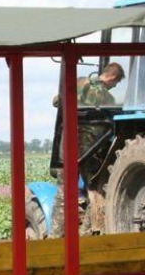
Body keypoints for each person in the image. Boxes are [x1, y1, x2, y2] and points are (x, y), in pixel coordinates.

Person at [50, 62, 125, 237]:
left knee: (63, 192)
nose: (114, 86)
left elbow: (57, 101)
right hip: (90, 149)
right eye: (116, 83)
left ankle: (56, 236)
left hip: (67, 145)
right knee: (96, 190)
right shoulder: (108, 99)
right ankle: (87, 234)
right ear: (112, 78)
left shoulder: (79, 82)